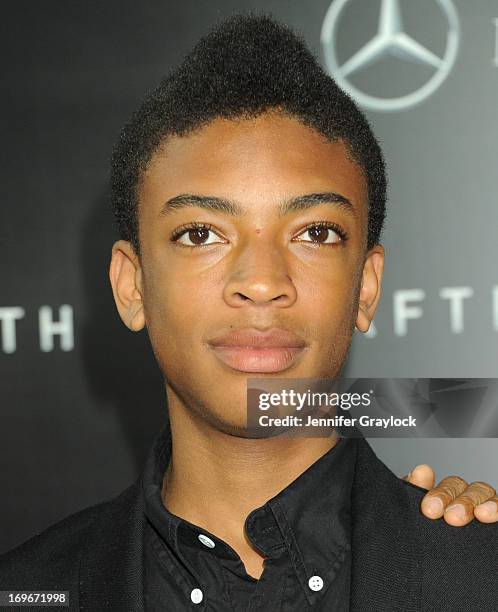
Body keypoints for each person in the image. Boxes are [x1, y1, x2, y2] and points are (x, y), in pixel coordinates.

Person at [1, 13, 496, 612]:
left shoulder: (478, 571)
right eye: (201, 233)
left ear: (366, 288)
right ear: (132, 287)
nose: (261, 283)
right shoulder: (28, 589)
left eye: (314, 232)